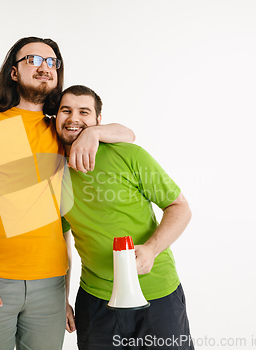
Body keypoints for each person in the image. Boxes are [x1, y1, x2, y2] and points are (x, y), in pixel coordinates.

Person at [0, 37, 135, 350]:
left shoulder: (61, 129)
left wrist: (92, 132)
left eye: (52, 62)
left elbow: (128, 134)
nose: (45, 67)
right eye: (34, 60)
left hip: (51, 287)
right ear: (13, 72)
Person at [57, 85, 194, 350]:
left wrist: (152, 250)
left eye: (84, 112)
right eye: (66, 110)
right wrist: (62, 298)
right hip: (96, 303)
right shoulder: (54, 172)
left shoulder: (130, 155)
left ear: (98, 120)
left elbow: (179, 207)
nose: (74, 118)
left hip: (156, 295)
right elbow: (62, 240)